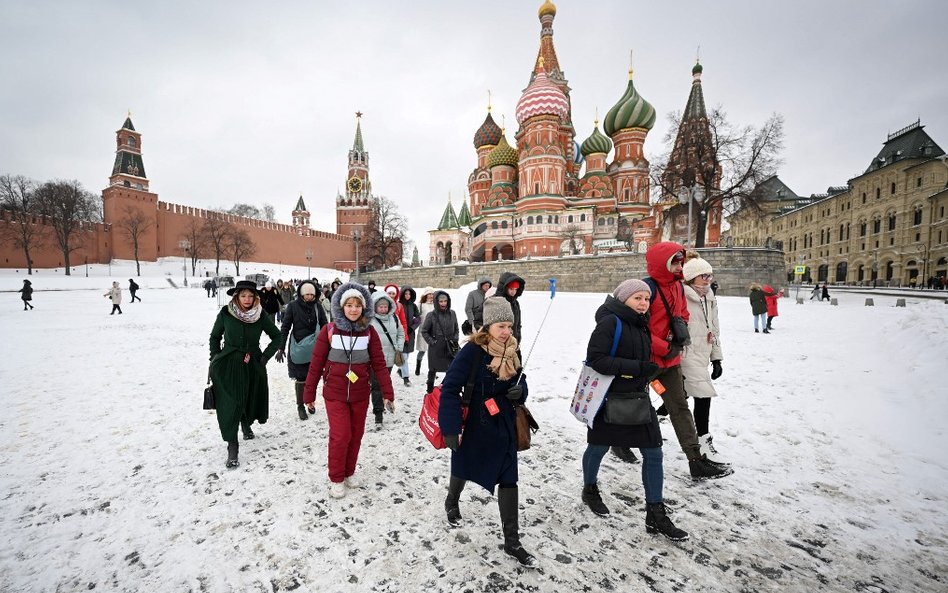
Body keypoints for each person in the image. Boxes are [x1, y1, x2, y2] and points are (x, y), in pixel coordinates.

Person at [580, 279, 689, 541]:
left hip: (638, 397)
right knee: (598, 448)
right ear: (623, 299)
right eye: (637, 298)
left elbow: (645, 360)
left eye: (646, 299)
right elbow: (597, 360)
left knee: (653, 452)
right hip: (609, 398)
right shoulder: (610, 322)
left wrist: (656, 379)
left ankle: (655, 513)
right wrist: (638, 369)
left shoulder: (642, 325)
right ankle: (590, 489)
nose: (643, 303)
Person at [439, 297, 538, 567]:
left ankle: (512, 541)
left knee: (509, 478)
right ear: (488, 327)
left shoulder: (512, 349)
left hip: (504, 424)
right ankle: (452, 500)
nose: (507, 332)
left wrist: (521, 391)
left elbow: (520, 380)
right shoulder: (471, 351)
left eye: (510, 326)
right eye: (501, 326)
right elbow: (449, 388)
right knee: (462, 466)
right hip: (475, 426)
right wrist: (449, 427)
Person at [635, 241, 730, 480]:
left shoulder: (679, 287)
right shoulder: (646, 288)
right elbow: (640, 328)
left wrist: (680, 338)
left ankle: (696, 460)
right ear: (663, 263)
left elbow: (683, 315)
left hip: (671, 361)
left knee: (679, 407)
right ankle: (615, 441)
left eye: (681, 261)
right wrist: (664, 345)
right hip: (646, 362)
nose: (680, 265)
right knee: (634, 403)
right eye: (675, 261)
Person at [304, 283, 394, 498]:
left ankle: (348, 472)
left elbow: (380, 365)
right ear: (341, 307)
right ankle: (336, 477)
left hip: (360, 393)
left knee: (356, 435)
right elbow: (315, 364)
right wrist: (308, 394)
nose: (353, 309)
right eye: (349, 305)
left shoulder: (369, 332)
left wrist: (389, 393)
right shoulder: (329, 331)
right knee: (341, 435)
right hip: (334, 394)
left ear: (364, 308)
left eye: (357, 306)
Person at [208, 280, 282, 468]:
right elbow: (215, 336)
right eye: (243, 295)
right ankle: (232, 446)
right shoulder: (226, 313)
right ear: (236, 296)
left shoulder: (260, 315)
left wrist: (265, 357)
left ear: (255, 297)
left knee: (248, 397)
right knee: (230, 403)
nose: (247, 299)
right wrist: (216, 357)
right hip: (229, 363)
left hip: (253, 363)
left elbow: (277, 336)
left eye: (250, 295)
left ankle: (245, 424)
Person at [680, 259, 728, 465]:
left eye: (710, 275)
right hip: (685, 354)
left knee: (678, 399)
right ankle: (703, 440)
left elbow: (714, 330)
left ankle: (654, 417)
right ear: (691, 278)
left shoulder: (710, 297)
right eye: (704, 276)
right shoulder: (682, 296)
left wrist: (716, 358)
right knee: (703, 394)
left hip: (703, 355)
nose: (708, 280)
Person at [275, 280, 327, 420]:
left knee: (313, 378)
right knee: (301, 379)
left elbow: (325, 326)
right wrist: (281, 347)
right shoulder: (293, 306)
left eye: (312, 294)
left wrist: (328, 345)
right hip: (297, 348)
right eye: (306, 294)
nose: (309, 297)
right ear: (301, 294)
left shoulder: (317, 306)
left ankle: (310, 402)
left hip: (315, 348)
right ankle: (300, 406)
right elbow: (285, 327)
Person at [369, 291, 404, 429]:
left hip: (390, 358)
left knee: (385, 383)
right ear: (375, 307)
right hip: (375, 360)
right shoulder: (369, 320)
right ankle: (378, 413)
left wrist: (399, 347)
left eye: (385, 306)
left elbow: (401, 333)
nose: (383, 309)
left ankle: (385, 400)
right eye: (380, 307)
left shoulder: (394, 318)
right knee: (376, 386)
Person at [420, 290, 460, 394]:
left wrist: (454, 340)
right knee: (433, 370)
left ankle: (447, 389)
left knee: (450, 370)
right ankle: (429, 391)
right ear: (436, 302)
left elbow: (456, 329)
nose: (443, 303)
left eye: (445, 301)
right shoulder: (431, 315)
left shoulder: (453, 313)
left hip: (449, 347)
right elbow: (424, 331)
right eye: (441, 301)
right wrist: (433, 342)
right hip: (436, 347)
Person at [397, 286, 420, 385]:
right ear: (402, 294)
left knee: (407, 355)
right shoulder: (398, 305)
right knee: (404, 356)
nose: (407, 296)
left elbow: (418, 318)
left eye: (409, 294)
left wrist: (413, 327)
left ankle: (401, 370)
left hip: (410, 333)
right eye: (406, 294)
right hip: (400, 333)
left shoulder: (413, 306)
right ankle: (406, 378)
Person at [495, 272, 525, 344]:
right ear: (505, 288)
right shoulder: (494, 301)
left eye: (516, 289)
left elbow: (518, 325)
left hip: (513, 343)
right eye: (511, 289)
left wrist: (518, 339)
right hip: (498, 345)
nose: (513, 292)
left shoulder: (515, 303)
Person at [415, 287, 435, 376]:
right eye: (429, 294)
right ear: (425, 295)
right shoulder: (421, 305)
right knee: (422, 351)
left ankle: (432, 370)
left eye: (432, 294)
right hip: (423, 331)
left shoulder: (436, 305)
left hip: (434, 332)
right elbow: (416, 317)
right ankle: (417, 367)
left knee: (433, 352)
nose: (430, 296)